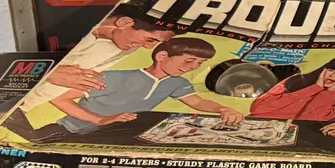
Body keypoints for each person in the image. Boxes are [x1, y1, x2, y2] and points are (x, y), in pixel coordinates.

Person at [5, 9, 174, 140]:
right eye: (150, 39)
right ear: (124, 23)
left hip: (16, 110)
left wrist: (100, 120)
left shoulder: (125, 46)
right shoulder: (63, 26)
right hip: (6, 104)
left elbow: (57, 94)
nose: (148, 48)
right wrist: (46, 73)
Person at [49, 37, 241, 133]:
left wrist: (223, 109)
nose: (193, 67)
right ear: (162, 56)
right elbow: (59, 98)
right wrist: (100, 120)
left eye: (199, 63)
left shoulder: (177, 83)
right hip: (68, 131)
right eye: (189, 60)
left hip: (112, 135)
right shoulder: (115, 77)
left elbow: (197, 102)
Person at [248, 52, 335, 136]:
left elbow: (313, 121)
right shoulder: (298, 80)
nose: (333, 75)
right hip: (250, 127)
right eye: (331, 69)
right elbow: (257, 108)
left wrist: (331, 92)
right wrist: (314, 88)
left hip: (297, 136)